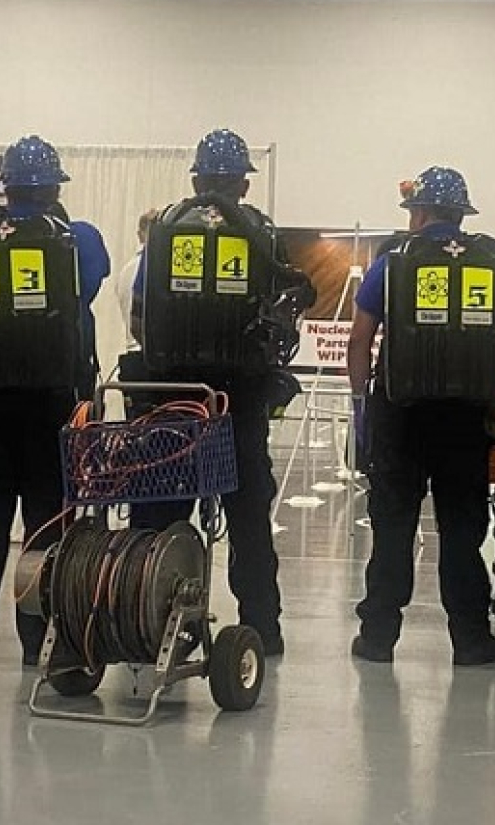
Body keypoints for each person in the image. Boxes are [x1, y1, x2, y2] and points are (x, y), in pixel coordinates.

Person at [129, 128, 313, 657]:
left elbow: (143, 316)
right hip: (240, 403)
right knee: (250, 519)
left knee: (162, 516)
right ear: (243, 186)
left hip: (174, 397)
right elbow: (283, 316)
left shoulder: (164, 230)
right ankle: (263, 628)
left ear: (195, 178)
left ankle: (151, 625)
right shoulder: (261, 232)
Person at [0, 135, 110, 665]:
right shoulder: (77, 237)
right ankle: (38, 642)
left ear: (6, 186)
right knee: (45, 521)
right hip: (50, 400)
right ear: (53, 189)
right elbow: (88, 286)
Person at [347, 166, 495, 666]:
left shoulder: (393, 261)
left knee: (393, 528)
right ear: (462, 215)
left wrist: (362, 407)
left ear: (419, 212)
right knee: (463, 529)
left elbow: (360, 339)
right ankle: (470, 639)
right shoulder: (492, 261)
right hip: (466, 419)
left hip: (401, 415)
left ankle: (378, 637)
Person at [116, 208, 159, 349]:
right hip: (153, 352)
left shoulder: (126, 271)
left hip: (133, 350)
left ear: (140, 235)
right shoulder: (157, 267)